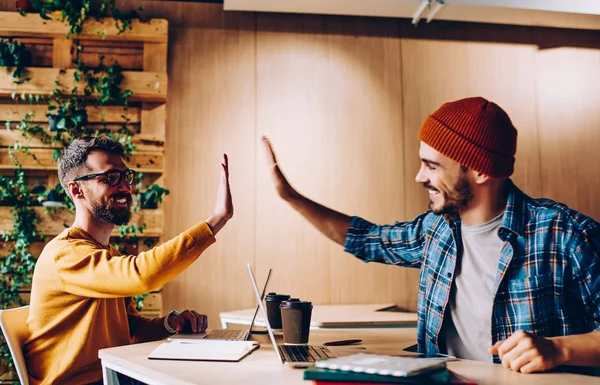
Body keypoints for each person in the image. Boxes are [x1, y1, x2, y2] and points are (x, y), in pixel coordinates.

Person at [262, 97, 600, 374]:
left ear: (481, 169)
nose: (418, 176)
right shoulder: (437, 229)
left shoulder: (567, 234)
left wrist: (559, 348)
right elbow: (366, 239)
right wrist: (291, 197)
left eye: (432, 165)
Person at [24, 136, 233, 384]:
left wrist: (170, 323)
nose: (124, 186)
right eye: (110, 178)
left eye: (126, 176)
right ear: (76, 189)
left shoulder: (105, 254)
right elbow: (141, 275)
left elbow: (130, 330)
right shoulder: (64, 254)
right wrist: (216, 219)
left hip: (111, 376)